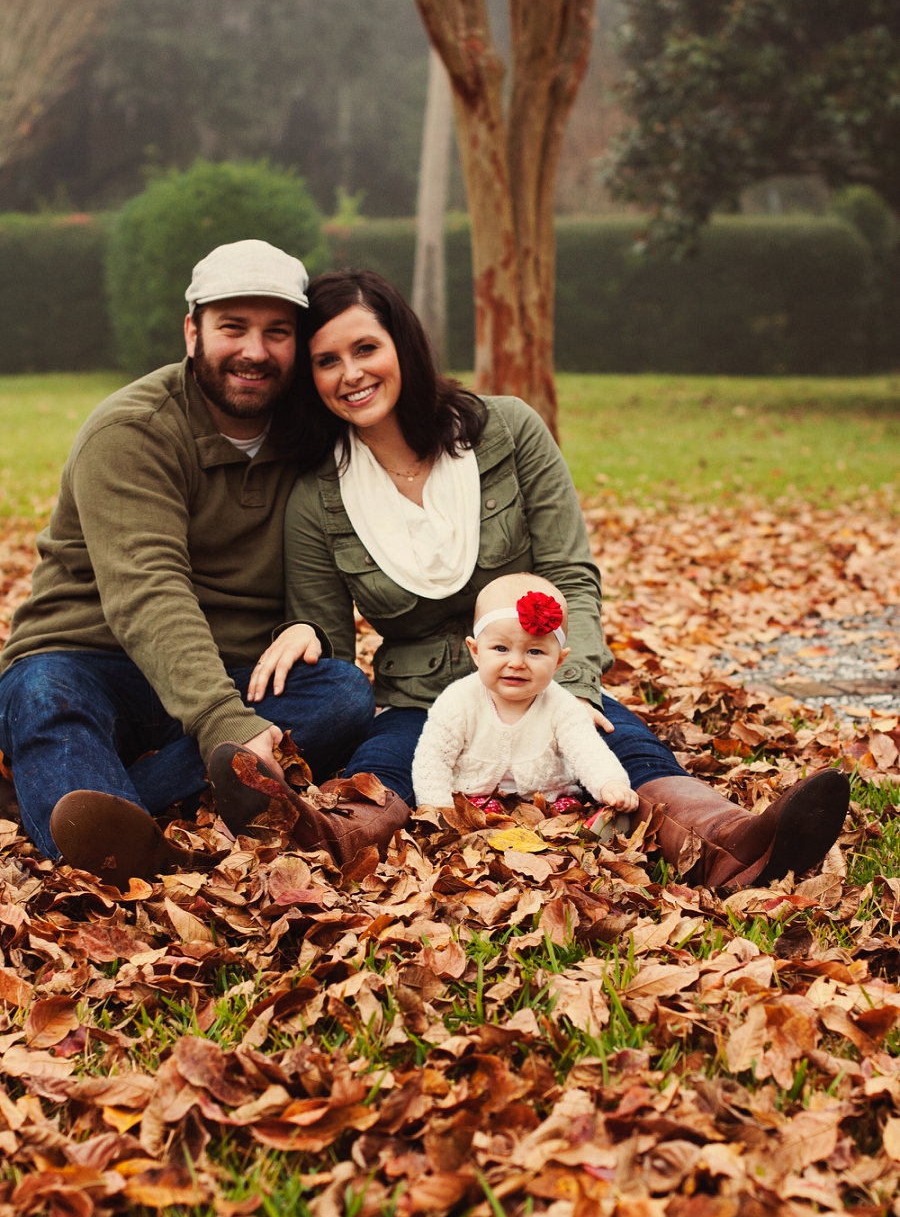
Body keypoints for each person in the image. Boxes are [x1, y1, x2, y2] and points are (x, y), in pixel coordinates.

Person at [235, 267, 850, 894]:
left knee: (624, 748)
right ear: (310, 379)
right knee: (385, 764)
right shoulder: (316, 492)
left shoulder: (506, 430)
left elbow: (570, 575)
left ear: (403, 346)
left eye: (366, 348)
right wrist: (303, 630)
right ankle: (326, 838)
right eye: (327, 361)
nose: (351, 374)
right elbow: (334, 650)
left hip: (541, 675)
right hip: (419, 697)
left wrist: (577, 687)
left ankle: (733, 841)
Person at [0, 240, 380, 887]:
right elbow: (149, 593)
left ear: (297, 342)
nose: (254, 351)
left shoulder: (314, 433)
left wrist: (309, 628)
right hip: (93, 656)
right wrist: (223, 727)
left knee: (344, 692)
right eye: (232, 327)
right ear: (192, 331)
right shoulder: (132, 431)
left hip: (236, 671)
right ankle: (118, 837)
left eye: (277, 332)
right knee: (42, 694)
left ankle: (91, 805)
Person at [411, 573, 638, 813]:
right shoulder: (458, 700)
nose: (516, 662)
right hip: (475, 800)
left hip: (548, 801)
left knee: (575, 814)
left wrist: (610, 784)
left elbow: (588, 752)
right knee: (472, 816)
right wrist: (438, 810)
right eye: (501, 648)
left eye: (535, 652)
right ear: (476, 651)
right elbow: (433, 761)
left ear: (558, 661)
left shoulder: (562, 705)